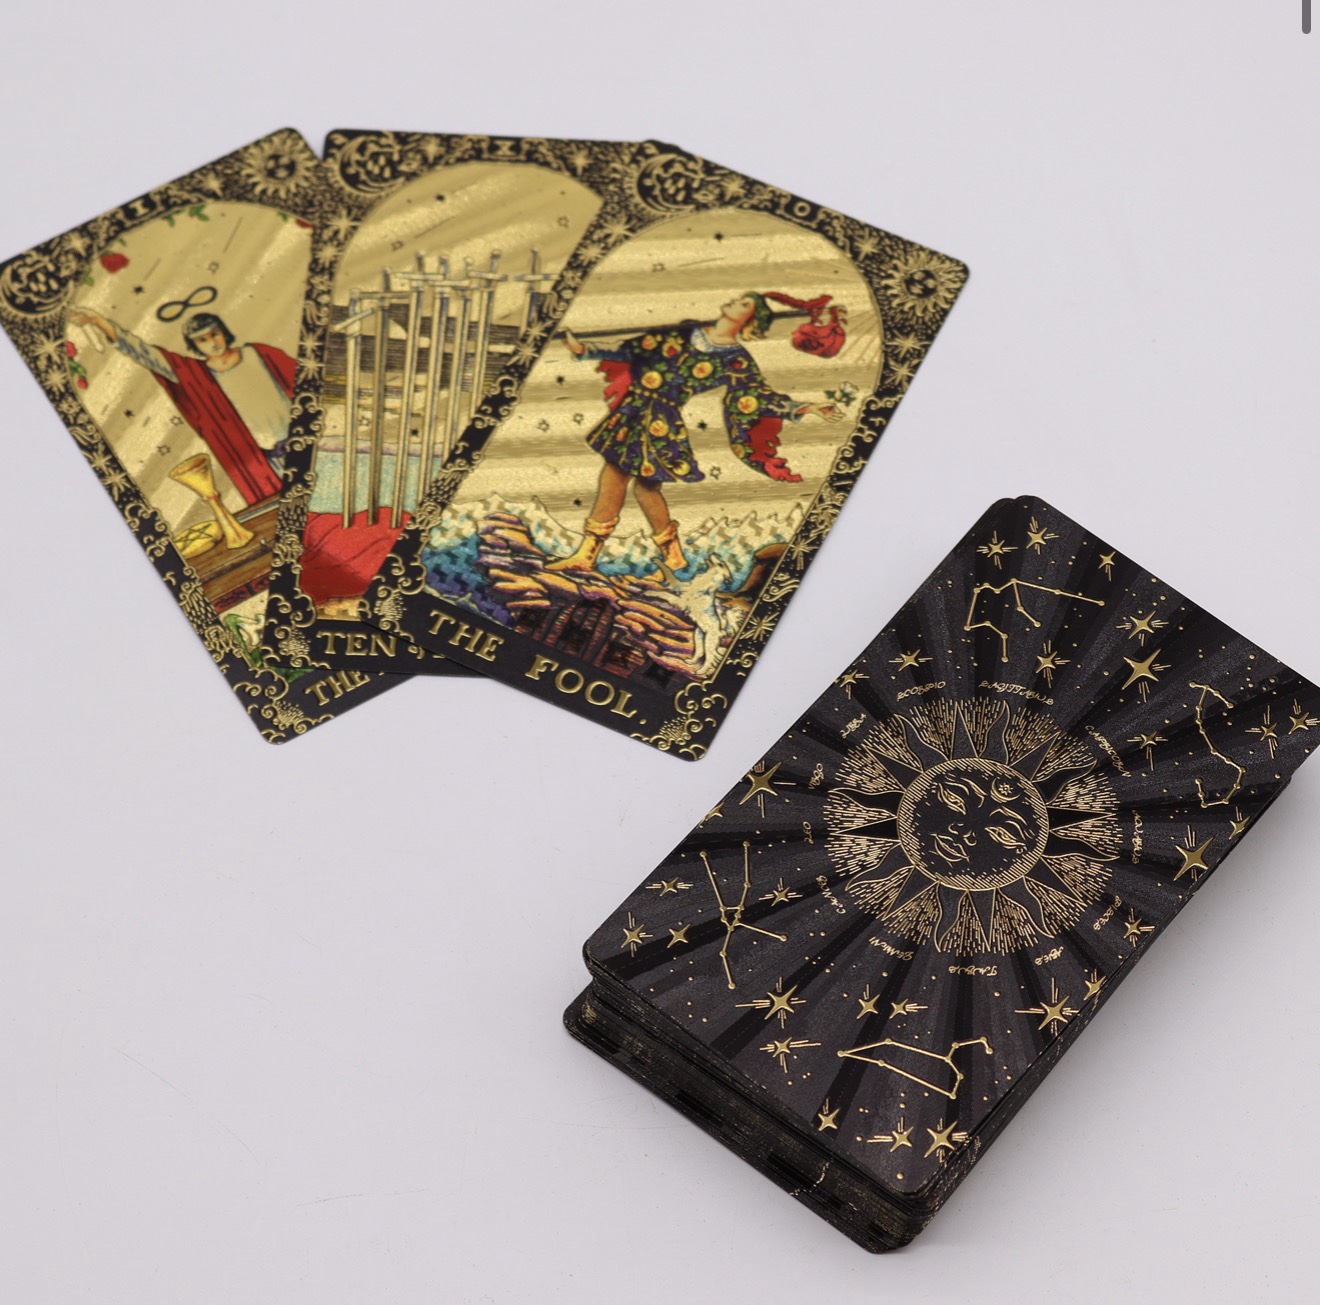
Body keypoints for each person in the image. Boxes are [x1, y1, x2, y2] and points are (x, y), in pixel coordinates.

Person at [550, 291, 843, 573]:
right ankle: (672, 557)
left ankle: (589, 555)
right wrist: (586, 351)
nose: (734, 301)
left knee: (622, 477)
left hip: (660, 421)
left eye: (744, 304)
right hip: (634, 410)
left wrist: (805, 408)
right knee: (643, 487)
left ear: (751, 320)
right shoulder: (687, 331)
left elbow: (757, 395)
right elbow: (635, 349)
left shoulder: (735, 359)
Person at [68, 307, 294, 506]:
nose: (212, 343)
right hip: (264, 463)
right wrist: (99, 321)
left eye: (214, 334)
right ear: (194, 345)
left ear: (224, 332)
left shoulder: (259, 353)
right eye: (202, 339)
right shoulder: (194, 376)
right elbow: (146, 354)